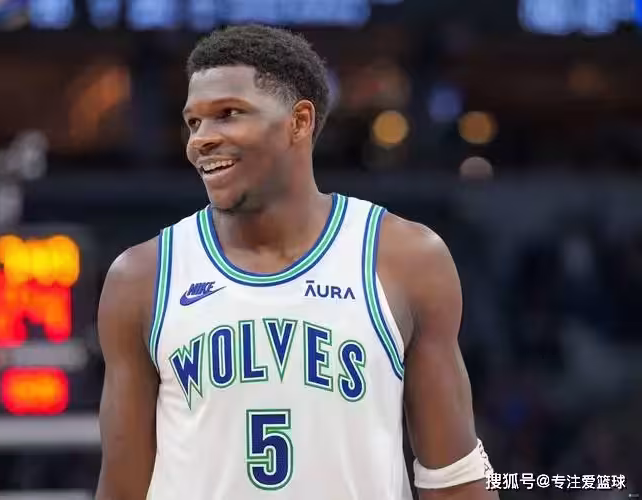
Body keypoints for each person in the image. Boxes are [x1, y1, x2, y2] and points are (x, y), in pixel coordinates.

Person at [95, 24, 497, 500]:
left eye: (228, 114)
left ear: (299, 122)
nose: (200, 139)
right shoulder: (141, 277)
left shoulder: (406, 259)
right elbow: (122, 489)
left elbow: (454, 480)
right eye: (194, 122)